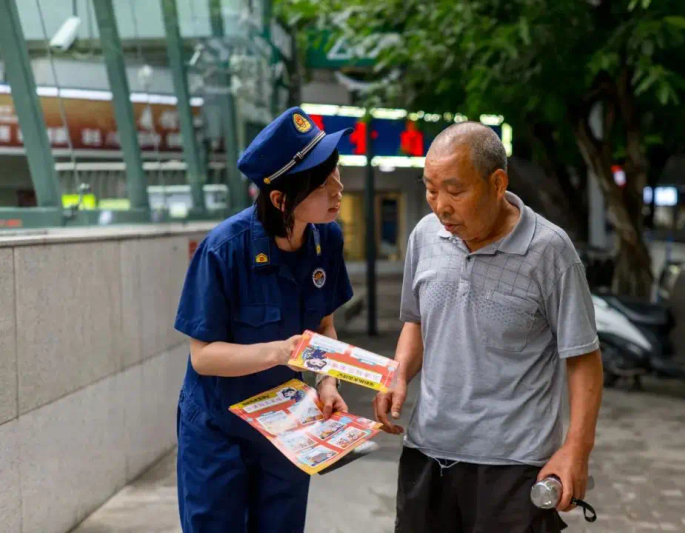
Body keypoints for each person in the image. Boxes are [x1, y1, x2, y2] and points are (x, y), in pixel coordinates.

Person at [373, 122, 604, 532]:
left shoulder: (550, 252)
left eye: (455, 191)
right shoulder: (425, 236)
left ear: (497, 184)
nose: (440, 206)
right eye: (430, 189)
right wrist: (398, 374)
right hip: (427, 455)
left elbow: (583, 358)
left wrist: (577, 448)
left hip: (514, 470)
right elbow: (417, 321)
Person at [174, 107, 354, 532]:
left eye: (338, 174)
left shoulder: (326, 239)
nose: (338, 190)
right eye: (324, 183)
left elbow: (324, 325)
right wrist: (280, 352)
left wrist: (327, 382)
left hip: (286, 428)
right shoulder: (223, 250)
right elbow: (203, 357)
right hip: (220, 431)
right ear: (281, 199)